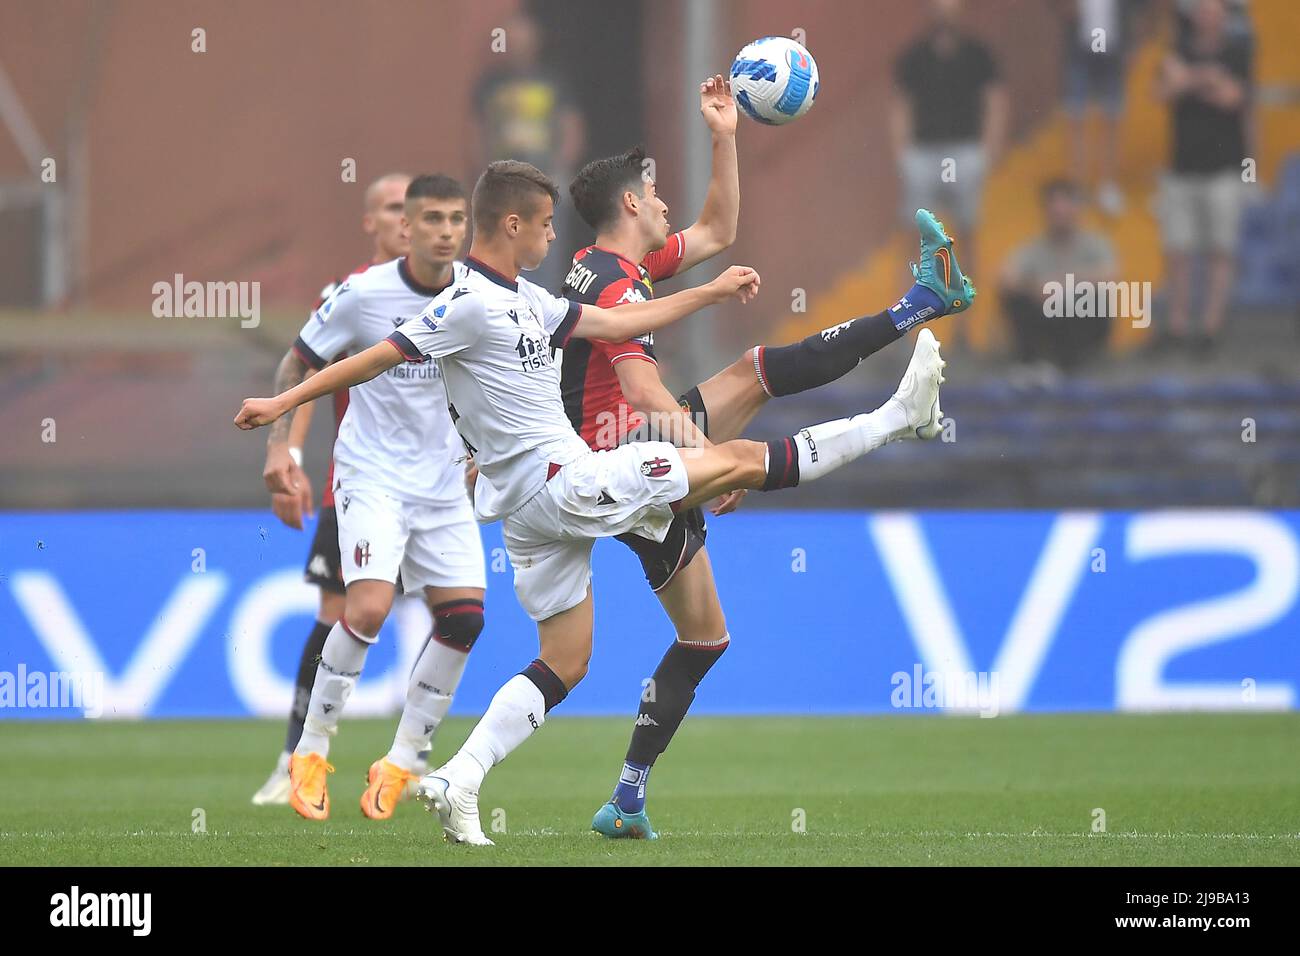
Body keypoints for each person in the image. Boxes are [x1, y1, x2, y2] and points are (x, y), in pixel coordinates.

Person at [234, 160, 973, 845]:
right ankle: (894, 420)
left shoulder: (530, 300)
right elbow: (372, 357)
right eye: (547, 224)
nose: (557, 237)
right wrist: (283, 404)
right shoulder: (463, 307)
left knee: (566, 659)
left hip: (528, 514)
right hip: (569, 483)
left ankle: (460, 779)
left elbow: (620, 324)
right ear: (515, 225)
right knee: (738, 460)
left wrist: (708, 292)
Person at [560, 79, 975, 839]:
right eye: (653, 195)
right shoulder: (618, 286)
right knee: (747, 451)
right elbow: (646, 393)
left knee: (705, 637)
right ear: (628, 206)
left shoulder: (613, 266)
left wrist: (726, 133)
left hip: (621, 451)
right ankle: (900, 409)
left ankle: (625, 799)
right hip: (621, 461)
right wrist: (709, 461)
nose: (663, 205)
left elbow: (717, 230)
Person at [258, 174, 489, 822]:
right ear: (406, 229)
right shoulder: (363, 295)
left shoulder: (479, 295)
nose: (446, 231)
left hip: (444, 482)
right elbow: (298, 361)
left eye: (456, 219)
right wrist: (281, 448)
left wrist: (483, 450)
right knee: (366, 609)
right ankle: (310, 752)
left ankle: (404, 761)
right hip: (372, 477)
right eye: (432, 219)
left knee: (465, 619)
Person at [251, 172, 411, 805]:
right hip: (358, 487)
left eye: (415, 207)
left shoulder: (448, 292)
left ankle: (409, 764)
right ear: (369, 222)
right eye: (394, 208)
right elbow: (308, 376)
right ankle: (297, 756)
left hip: (430, 489)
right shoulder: (349, 295)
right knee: (334, 614)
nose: (408, 218)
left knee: (449, 614)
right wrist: (287, 455)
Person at [1157, 0, 1253, 356]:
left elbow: (1234, 98)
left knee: (1219, 251)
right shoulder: (1176, 49)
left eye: (1214, 10)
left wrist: (1187, 78)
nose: (1207, 15)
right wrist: (1207, 77)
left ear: (1225, 17)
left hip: (1224, 170)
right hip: (1181, 169)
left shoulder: (1238, 51)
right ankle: (1178, 326)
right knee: (1178, 251)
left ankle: (1210, 328)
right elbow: (1161, 93)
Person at [892, 0, 1007, 289]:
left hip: (965, 151)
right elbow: (900, 106)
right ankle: (905, 321)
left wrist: (989, 151)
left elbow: (995, 101)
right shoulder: (914, 56)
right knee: (914, 237)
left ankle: (965, 322)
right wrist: (902, 153)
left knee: (966, 234)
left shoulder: (977, 54)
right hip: (923, 151)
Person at [1001, 178, 1117, 373]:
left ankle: (1079, 358)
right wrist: (1035, 287)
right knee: (1017, 299)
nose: (1061, 215)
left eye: (1066, 209)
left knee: (1095, 296)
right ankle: (1034, 359)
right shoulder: (1034, 247)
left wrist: (1065, 283)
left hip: (1081, 320)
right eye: (1055, 211)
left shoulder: (1095, 244)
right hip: (1046, 317)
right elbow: (1006, 277)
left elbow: (1111, 276)